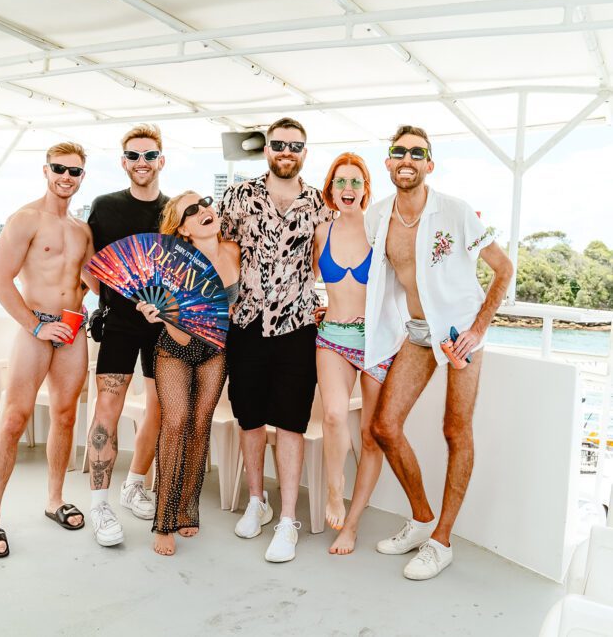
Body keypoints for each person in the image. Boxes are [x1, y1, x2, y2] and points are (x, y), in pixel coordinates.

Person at [364, 125, 513, 580]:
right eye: (398, 151)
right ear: (388, 162)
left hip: (461, 332)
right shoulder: (378, 216)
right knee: (385, 426)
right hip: (416, 332)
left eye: (417, 152)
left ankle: (442, 541)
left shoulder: (456, 211)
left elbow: (504, 269)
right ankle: (422, 518)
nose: (406, 158)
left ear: (429, 164)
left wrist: (477, 328)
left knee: (455, 429)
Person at [218, 117, 333, 563]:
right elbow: (220, 249)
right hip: (244, 323)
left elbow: (325, 266)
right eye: (279, 144)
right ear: (267, 148)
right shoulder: (240, 195)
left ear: (305, 151)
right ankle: (256, 501)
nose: (287, 151)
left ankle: (287, 519)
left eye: (296, 145)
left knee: (291, 422)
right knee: (249, 419)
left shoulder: (320, 203)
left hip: (297, 327)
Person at [0, 142, 93, 558]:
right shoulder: (25, 219)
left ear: (83, 177)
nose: (66, 177)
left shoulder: (82, 230)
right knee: (13, 419)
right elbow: (0, 282)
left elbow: (96, 280)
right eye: (59, 169)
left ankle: (54, 500)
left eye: (74, 171)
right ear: (45, 171)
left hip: (74, 328)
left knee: (65, 416)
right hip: (37, 327)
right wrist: (36, 326)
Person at [136, 191, 240, 556]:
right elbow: (178, 327)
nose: (203, 212)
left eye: (205, 203)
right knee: (176, 422)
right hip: (176, 348)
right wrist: (160, 313)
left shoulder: (235, 252)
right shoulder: (171, 264)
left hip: (217, 352)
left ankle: (187, 509)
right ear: (182, 229)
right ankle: (163, 521)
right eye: (191, 212)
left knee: (199, 425)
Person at [86, 124, 169, 547]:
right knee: (108, 409)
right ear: (123, 162)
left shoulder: (173, 211)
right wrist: (115, 296)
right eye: (134, 156)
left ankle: (134, 484)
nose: (142, 163)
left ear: (161, 161)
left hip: (161, 327)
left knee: (157, 409)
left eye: (149, 155)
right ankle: (99, 504)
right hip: (118, 323)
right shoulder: (104, 206)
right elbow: (89, 263)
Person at [313, 153, 395, 555]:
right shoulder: (320, 232)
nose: (348, 189)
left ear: (366, 189)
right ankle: (334, 491)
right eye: (340, 182)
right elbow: (304, 281)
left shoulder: (381, 230)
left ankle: (354, 523)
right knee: (332, 414)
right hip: (332, 335)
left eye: (356, 182)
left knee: (369, 436)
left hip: (376, 342)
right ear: (330, 189)